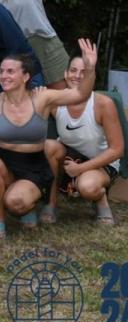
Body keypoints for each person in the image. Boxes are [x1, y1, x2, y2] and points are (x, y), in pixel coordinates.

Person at [0, 39, 97, 240]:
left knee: (15, 203)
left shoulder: (42, 98)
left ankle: (27, 204)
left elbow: (80, 94)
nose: (3, 76)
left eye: (10, 71)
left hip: (33, 165)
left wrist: (91, 68)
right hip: (4, 162)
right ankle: (0, 219)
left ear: (25, 76)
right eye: (1, 71)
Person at [43, 54, 124, 225]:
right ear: (65, 74)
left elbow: (117, 149)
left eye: (84, 71)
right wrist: (38, 94)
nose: (78, 76)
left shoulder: (103, 104)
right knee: (49, 146)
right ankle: (51, 203)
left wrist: (80, 168)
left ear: (91, 76)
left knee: (88, 187)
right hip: (69, 157)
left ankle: (101, 199)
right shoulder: (55, 100)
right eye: (73, 70)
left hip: (101, 162)